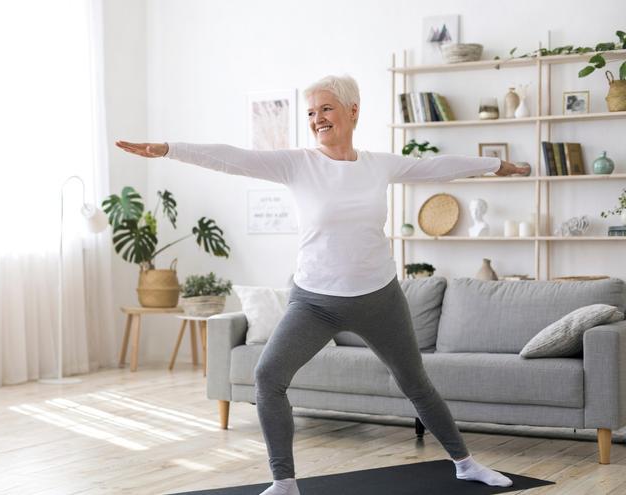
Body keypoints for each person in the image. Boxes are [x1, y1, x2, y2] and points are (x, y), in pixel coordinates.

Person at [117, 74, 528, 495]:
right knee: (268, 377)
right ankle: (284, 482)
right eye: (311, 112)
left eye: (326, 108)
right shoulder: (298, 164)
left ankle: (465, 464)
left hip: (379, 298)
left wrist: (498, 164)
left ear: (353, 111)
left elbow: (436, 167)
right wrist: (168, 149)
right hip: (315, 302)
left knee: (415, 383)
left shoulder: (377, 165)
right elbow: (231, 157)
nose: (317, 119)